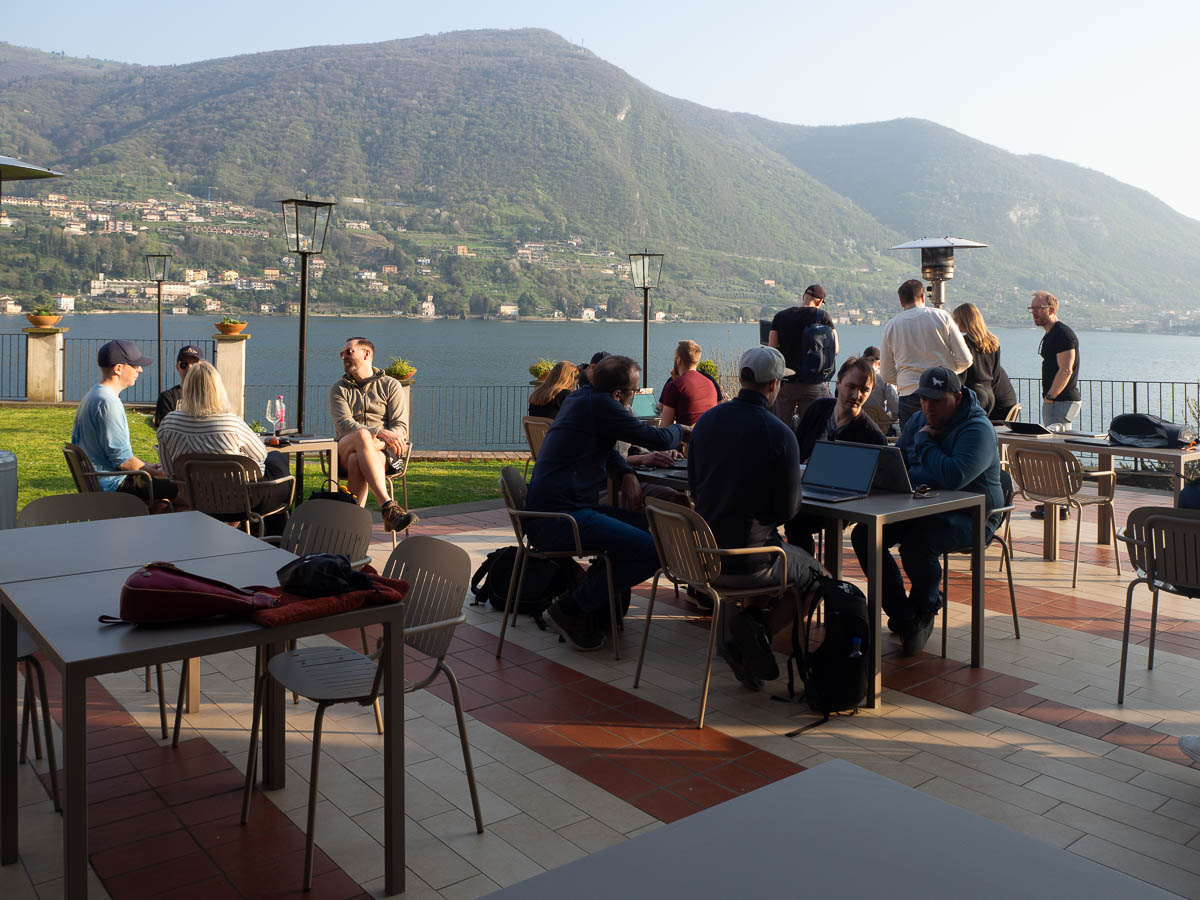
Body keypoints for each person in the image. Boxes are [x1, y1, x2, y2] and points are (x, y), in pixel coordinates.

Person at [525, 355, 687, 651]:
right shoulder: (601, 405)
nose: (635, 395)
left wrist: (626, 473)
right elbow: (658, 438)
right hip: (560, 518)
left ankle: (588, 603)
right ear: (618, 394)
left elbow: (607, 446)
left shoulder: (581, 397)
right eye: (634, 391)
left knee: (654, 529)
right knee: (654, 551)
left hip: (560, 509)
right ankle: (571, 608)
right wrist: (684, 429)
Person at [688, 346, 825, 690]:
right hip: (751, 562)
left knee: (781, 562)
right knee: (818, 578)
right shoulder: (780, 434)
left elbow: (694, 486)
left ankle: (748, 631)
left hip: (703, 558)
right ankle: (754, 633)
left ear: (741, 378)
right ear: (774, 384)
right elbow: (788, 512)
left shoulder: (706, 423)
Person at [850, 366, 1002, 656]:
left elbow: (953, 477)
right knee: (865, 535)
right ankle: (904, 614)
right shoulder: (919, 420)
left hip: (974, 515)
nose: (928, 407)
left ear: (957, 397)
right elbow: (900, 461)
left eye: (937, 400)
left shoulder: (978, 429)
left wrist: (924, 442)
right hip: (924, 506)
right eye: (923, 399)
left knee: (918, 545)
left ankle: (926, 607)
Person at [157, 361, 293, 527]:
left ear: (186, 388)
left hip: (197, 499)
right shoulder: (230, 423)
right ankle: (276, 536)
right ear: (218, 389)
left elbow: (170, 471)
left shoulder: (169, 423)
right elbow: (261, 454)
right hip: (242, 501)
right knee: (276, 458)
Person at [786, 356, 888, 555]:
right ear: (839, 383)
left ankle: (807, 570)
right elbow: (796, 452)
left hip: (843, 504)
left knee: (796, 522)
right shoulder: (818, 409)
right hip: (804, 492)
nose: (856, 395)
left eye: (864, 390)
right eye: (851, 386)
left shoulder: (873, 437)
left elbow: (874, 484)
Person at [71, 340, 178, 505]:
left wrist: (149, 466)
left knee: (169, 496)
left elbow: (121, 457)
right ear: (118, 368)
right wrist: (161, 474)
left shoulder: (94, 395)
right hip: (115, 485)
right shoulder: (108, 403)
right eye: (135, 366)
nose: (140, 370)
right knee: (188, 490)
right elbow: (124, 461)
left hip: (102, 482)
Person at [330, 336, 417, 531]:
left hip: (382, 453)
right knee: (361, 436)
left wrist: (377, 442)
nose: (343, 356)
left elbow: (400, 428)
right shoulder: (339, 389)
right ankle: (388, 506)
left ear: (366, 353)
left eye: (348, 352)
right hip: (346, 447)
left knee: (357, 459)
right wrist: (379, 432)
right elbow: (344, 425)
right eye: (342, 353)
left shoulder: (390, 385)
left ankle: (351, 530)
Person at [880, 279, 973, 427]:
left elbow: (886, 374)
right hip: (942, 392)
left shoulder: (891, 326)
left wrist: (905, 381)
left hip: (909, 394)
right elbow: (966, 360)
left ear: (901, 301)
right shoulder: (942, 316)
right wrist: (946, 373)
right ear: (923, 296)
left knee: (912, 440)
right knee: (947, 438)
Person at [768, 285, 838, 423]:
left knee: (781, 425)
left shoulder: (780, 316)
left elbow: (772, 349)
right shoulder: (823, 316)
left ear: (803, 296)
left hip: (786, 382)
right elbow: (835, 349)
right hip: (812, 382)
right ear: (820, 302)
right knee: (809, 426)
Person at [1032, 290, 1081, 427]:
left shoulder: (1063, 334)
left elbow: (1066, 370)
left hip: (1061, 401)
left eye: (1038, 308)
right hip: (1057, 401)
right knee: (1057, 439)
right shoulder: (1052, 333)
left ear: (1052, 310)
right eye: (1032, 308)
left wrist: (1050, 397)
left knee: (1056, 439)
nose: (1034, 312)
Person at [952, 303, 1003, 416]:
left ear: (963, 320)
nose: (955, 322)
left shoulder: (964, 342)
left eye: (956, 319)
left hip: (974, 393)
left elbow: (962, 374)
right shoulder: (993, 342)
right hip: (989, 394)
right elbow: (996, 374)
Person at [659, 340, 718, 426]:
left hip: (687, 434)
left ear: (678, 360)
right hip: (708, 433)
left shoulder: (675, 386)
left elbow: (665, 428)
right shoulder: (710, 383)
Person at [152, 344, 203, 427]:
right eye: (184, 364)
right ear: (177, 367)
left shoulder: (209, 395)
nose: (189, 368)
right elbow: (164, 428)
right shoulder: (167, 397)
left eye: (194, 364)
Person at [861, 346, 899, 424]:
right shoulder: (884, 378)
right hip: (879, 424)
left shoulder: (854, 376)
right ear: (879, 363)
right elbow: (895, 405)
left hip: (857, 421)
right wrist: (892, 417)